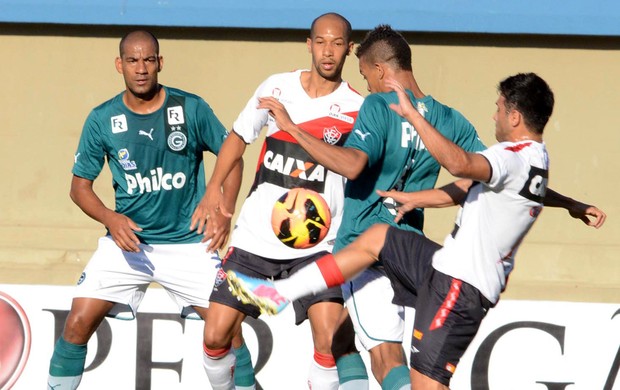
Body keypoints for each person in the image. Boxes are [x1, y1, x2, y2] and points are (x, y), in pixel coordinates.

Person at [254, 25, 607, 389]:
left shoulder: (379, 105)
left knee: (379, 355)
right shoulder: (453, 120)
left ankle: (279, 292)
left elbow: (357, 164)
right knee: (345, 335)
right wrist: (571, 204)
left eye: (365, 76)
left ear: (378, 70)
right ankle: (284, 293)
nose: (368, 85)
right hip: (417, 254)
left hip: (378, 253)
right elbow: (504, 179)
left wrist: (293, 130)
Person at [46, 30, 254, 390]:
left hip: (189, 244)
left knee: (230, 330)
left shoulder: (190, 108)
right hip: (127, 247)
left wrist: (224, 209)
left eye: (148, 60)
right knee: (77, 323)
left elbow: (232, 157)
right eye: (132, 61)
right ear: (119, 65)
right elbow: (79, 188)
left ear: (160, 62)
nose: (140, 69)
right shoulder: (102, 118)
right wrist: (110, 218)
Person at [202, 13, 369, 390]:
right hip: (256, 242)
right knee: (215, 337)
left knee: (329, 342)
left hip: (318, 247)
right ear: (308, 44)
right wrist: (214, 189)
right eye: (321, 42)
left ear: (349, 49)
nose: (328, 52)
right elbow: (239, 136)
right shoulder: (276, 87)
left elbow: (360, 168)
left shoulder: (357, 107)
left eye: (337, 43)